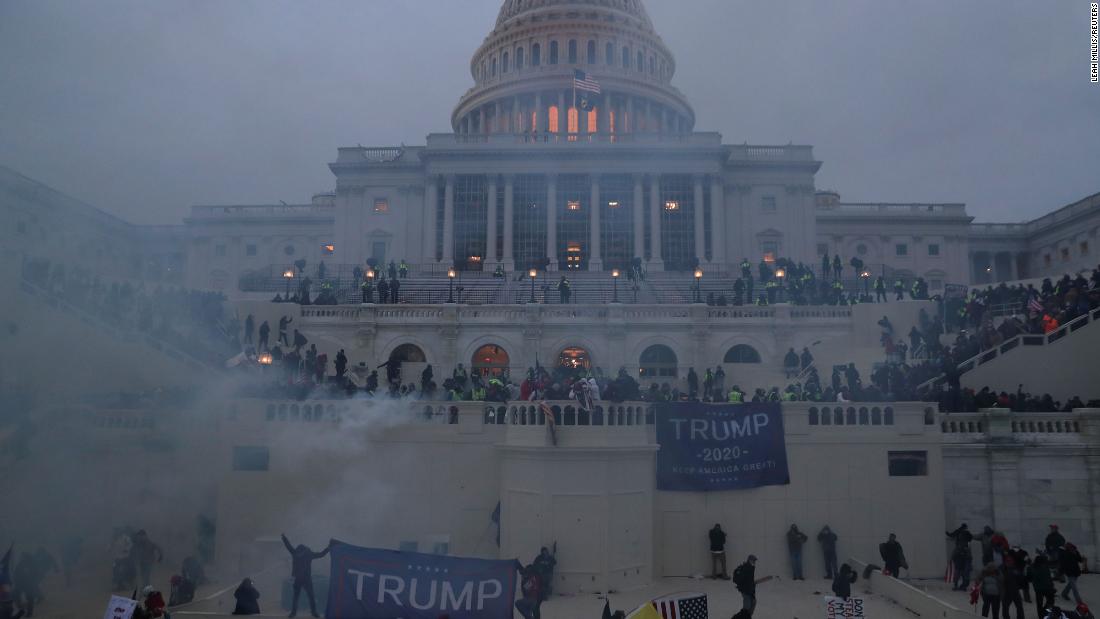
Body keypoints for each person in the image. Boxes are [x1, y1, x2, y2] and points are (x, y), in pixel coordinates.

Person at [281, 534, 332, 618]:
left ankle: (293, 613)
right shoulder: (309, 554)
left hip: (298, 578)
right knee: (311, 596)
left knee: (296, 597)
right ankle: (314, 612)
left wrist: (284, 539)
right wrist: (328, 548)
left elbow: (288, 546)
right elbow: (321, 554)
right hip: (306, 578)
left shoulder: (295, 553)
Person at [947, 523, 974, 591]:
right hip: (964, 556)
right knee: (964, 572)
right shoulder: (966, 536)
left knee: (958, 572)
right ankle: (963, 586)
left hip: (959, 557)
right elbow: (971, 538)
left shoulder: (958, 532)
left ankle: (958, 586)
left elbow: (951, 535)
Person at [1029, 555, 1056, 619]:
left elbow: (1049, 577)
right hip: (1043, 588)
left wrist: (1052, 586)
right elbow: (1030, 577)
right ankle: (1043, 614)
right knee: (1048, 602)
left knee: (1043, 603)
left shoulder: (1034, 567)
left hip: (1041, 588)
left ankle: (1042, 614)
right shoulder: (1035, 567)